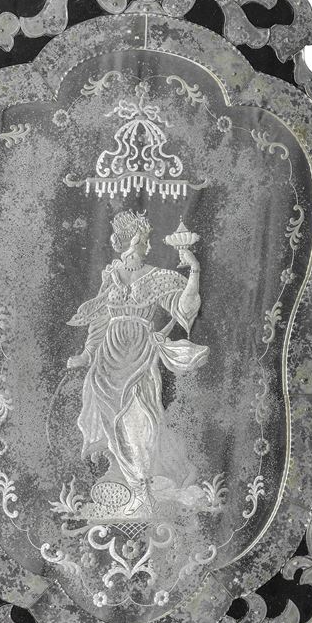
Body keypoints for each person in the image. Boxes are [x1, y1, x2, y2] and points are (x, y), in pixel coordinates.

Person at [67, 210, 208, 515]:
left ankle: (142, 489)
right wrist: (87, 354)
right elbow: (100, 320)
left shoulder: (157, 277)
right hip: (107, 362)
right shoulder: (111, 275)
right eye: (144, 241)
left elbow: (184, 310)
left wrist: (194, 270)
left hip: (140, 357)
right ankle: (124, 483)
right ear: (133, 241)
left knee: (139, 422)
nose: (148, 247)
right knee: (112, 425)